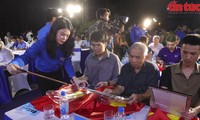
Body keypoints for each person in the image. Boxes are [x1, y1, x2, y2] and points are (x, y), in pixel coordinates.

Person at [7, 17, 78, 95]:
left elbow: (67, 61)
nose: (64, 38)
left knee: (60, 96)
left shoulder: (66, 45)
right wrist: (14, 63)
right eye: (62, 34)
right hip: (43, 75)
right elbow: (27, 56)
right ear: (54, 31)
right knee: (47, 98)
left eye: (67, 36)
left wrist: (74, 77)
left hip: (58, 73)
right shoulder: (42, 43)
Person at [160, 34, 200, 119]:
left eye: (193, 54)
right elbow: (163, 94)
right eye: (185, 52)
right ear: (180, 50)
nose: (188, 57)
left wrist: (195, 110)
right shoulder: (168, 71)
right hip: (171, 114)